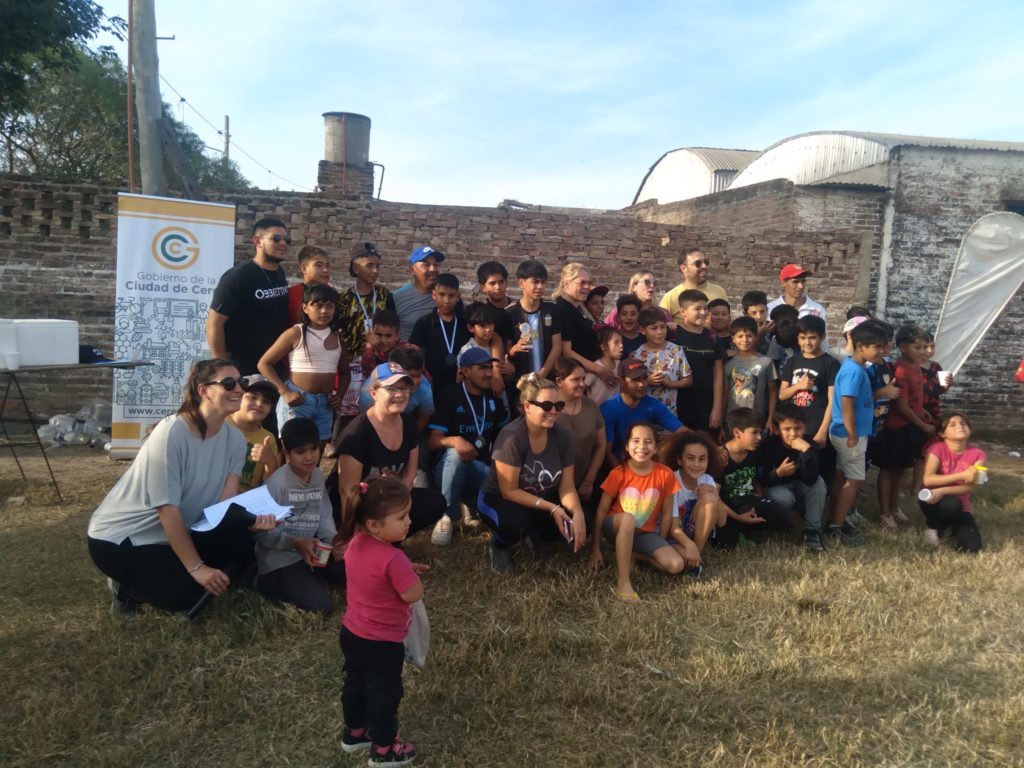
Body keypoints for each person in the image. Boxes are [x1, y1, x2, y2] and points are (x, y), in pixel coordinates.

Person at [87, 360, 278, 613]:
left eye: (241, 383)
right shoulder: (172, 431)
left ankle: (172, 571)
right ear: (203, 390)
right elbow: (166, 509)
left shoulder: (234, 439)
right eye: (228, 383)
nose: (238, 389)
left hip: (181, 529)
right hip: (123, 537)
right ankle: (126, 588)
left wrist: (250, 521)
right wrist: (197, 568)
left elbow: (224, 503)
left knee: (242, 542)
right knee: (188, 596)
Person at [336, 476, 426, 765]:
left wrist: (403, 569)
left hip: (352, 632)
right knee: (385, 694)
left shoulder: (355, 543)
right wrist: (409, 575)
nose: (408, 522)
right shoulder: (392, 558)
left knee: (356, 683)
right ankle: (385, 749)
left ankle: (354, 732)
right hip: (383, 643)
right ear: (374, 525)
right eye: (401, 517)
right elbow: (412, 593)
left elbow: (372, 573)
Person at [477, 374, 587, 574]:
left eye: (558, 405)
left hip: (540, 497)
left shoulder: (562, 436)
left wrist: (577, 513)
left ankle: (537, 534)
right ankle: (499, 545)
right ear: (527, 407)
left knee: (575, 520)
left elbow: (567, 486)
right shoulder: (512, 437)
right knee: (515, 525)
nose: (553, 411)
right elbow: (509, 491)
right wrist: (552, 508)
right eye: (546, 405)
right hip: (500, 498)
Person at [333, 362, 445, 537]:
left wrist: (396, 507)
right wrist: (351, 535)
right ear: (374, 393)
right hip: (354, 505)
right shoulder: (356, 434)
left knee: (435, 501)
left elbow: (409, 476)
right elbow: (348, 492)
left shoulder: (409, 424)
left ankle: (390, 539)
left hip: (385, 499)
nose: (399, 394)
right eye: (391, 388)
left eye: (404, 388)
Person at [589, 422, 686, 602]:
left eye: (648, 441)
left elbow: (666, 514)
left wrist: (659, 542)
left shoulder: (665, 474)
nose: (642, 446)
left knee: (676, 565)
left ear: (655, 448)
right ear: (627, 446)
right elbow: (601, 511)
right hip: (615, 527)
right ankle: (623, 583)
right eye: (636, 441)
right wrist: (595, 549)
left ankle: (634, 555)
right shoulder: (619, 473)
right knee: (628, 519)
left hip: (644, 534)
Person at [428, 346, 509, 545]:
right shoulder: (449, 396)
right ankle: (447, 516)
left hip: (480, 469)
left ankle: (470, 504)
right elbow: (432, 441)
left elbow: (505, 436)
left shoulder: (494, 396)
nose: (488, 373)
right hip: (448, 468)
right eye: (482, 368)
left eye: (490, 368)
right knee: (456, 454)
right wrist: (454, 440)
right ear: (465, 371)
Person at [255, 418, 337, 614]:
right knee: (322, 607)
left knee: (350, 572)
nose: (309, 457)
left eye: (314, 449)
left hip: (311, 550)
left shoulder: (317, 475)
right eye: (300, 452)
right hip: (279, 557)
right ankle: (262, 581)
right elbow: (261, 534)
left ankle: (310, 574)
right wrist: (294, 542)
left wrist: (334, 541)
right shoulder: (277, 484)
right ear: (287, 454)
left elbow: (324, 513)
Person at [257, 283, 350, 445]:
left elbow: (345, 372)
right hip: (298, 401)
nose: (324, 311)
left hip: (326, 404)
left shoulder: (337, 338)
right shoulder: (296, 333)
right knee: (292, 449)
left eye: (330, 306)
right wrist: (285, 391)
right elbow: (264, 364)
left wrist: (340, 395)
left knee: (318, 449)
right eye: (318, 306)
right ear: (305, 308)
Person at [828, 321, 889, 546]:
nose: (882, 351)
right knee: (854, 479)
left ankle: (836, 519)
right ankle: (836, 525)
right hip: (849, 435)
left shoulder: (856, 367)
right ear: (861, 346)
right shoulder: (854, 371)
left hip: (848, 433)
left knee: (842, 477)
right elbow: (847, 404)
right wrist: (853, 434)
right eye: (877, 347)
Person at [206, 217, 291, 377]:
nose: (283, 243)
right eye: (276, 238)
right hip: (244, 369)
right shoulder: (238, 277)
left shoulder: (279, 273)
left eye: (286, 239)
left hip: (274, 366)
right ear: (258, 242)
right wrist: (222, 366)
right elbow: (214, 323)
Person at [875, 323, 935, 530]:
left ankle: (895, 507)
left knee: (901, 469)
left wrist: (922, 410)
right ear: (902, 347)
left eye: (925, 347)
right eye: (917, 347)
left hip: (911, 425)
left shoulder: (916, 367)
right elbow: (902, 407)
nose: (923, 352)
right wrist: (923, 425)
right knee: (888, 470)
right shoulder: (900, 371)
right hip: (896, 427)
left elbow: (913, 399)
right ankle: (884, 512)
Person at [336, 242, 395, 429]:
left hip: (380, 361)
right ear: (355, 268)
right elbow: (339, 333)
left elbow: (393, 325)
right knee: (349, 412)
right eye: (369, 265)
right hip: (353, 366)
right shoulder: (344, 299)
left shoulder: (384, 295)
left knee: (378, 408)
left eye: (377, 266)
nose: (375, 271)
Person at [717, 408, 793, 549]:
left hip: (748, 500)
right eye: (754, 432)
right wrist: (738, 517)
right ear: (737, 433)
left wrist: (759, 494)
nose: (759, 437)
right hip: (726, 506)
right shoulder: (721, 457)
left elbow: (757, 477)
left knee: (784, 517)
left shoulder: (755, 451)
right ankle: (739, 527)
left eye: (760, 432)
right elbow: (714, 498)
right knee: (725, 543)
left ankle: (746, 527)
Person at [761, 404, 827, 552]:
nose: (793, 434)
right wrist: (778, 473)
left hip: (802, 484)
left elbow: (811, 479)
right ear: (776, 430)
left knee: (819, 484)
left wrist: (806, 452)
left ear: (805, 428)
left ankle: (811, 530)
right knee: (783, 498)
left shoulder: (810, 445)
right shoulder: (768, 444)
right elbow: (762, 478)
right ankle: (786, 520)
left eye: (798, 428)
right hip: (778, 487)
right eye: (787, 429)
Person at [600, 359, 687, 467]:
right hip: (618, 466)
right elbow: (607, 452)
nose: (642, 384)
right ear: (620, 381)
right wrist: (622, 474)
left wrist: (669, 440)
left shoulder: (652, 405)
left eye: (645, 378)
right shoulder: (609, 408)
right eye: (635, 380)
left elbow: (684, 432)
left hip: (647, 463)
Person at [918, 412, 985, 552]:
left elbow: (970, 487)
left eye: (963, 423)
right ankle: (932, 527)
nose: (960, 426)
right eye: (952, 425)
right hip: (932, 499)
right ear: (942, 434)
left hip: (960, 505)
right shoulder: (936, 449)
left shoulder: (978, 454)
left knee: (973, 548)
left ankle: (946, 528)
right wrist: (962, 475)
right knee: (952, 503)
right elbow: (928, 480)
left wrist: (943, 490)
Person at [661, 431, 728, 564]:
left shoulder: (707, 479)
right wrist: (688, 545)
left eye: (702, 459)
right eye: (690, 458)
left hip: (693, 536)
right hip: (674, 535)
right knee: (679, 563)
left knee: (710, 498)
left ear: (708, 460)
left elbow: (722, 521)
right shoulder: (672, 480)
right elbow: (673, 527)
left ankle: (697, 555)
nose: (696, 464)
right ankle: (692, 556)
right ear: (679, 460)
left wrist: (715, 495)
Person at [778, 315, 839, 451]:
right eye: (802, 338)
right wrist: (798, 386)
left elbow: (833, 400)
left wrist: (823, 431)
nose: (807, 342)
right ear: (797, 338)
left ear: (822, 337)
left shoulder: (831, 363)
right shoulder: (792, 361)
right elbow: (782, 395)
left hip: (816, 427)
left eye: (812, 338)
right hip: (793, 427)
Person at [553, 358, 607, 506]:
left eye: (583, 378)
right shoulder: (547, 409)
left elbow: (600, 445)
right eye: (576, 380)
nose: (582, 384)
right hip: (552, 488)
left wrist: (588, 481)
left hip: (584, 484)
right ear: (559, 381)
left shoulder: (591, 406)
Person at [672, 289, 725, 435]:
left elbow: (718, 375)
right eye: (697, 309)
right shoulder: (673, 335)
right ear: (683, 312)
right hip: (677, 404)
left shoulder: (713, 337)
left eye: (705, 308)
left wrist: (717, 408)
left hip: (706, 407)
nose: (703, 313)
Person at [554, 263, 616, 387]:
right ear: (566, 284)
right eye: (582, 283)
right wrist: (598, 369)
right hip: (576, 378)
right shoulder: (563, 309)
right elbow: (567, 351)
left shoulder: (577, 307)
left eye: (589, 282)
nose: (587, 287)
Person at [409, 272, 470, 392]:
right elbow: (412, 351)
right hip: (432, 383)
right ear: (434, 295)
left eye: (451, 295)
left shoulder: (465, 322)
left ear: (458, 296)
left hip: (463, 382)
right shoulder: (425, 322)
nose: (446, 300)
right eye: (442, 295)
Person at [504, 260, 562, 383]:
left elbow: (557, 347)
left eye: (543, 282)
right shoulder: (510, 312)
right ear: (521, 283)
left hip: (547, 380)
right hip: (520, 382)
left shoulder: (552, 309)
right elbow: (507, 351)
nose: (540, 286)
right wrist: (516, 348)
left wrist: (541, 375)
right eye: (535, 281)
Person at [359, 347, 435, 435]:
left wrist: (409, 439)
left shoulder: (424, 388)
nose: (414, 382)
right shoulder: (369, 391)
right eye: (410, 376)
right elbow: (365, 420)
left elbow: (424, 418)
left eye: (418, 376)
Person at [632, 307, 692, 414]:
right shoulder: (637, 355)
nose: (660, 332)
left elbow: (688, 380)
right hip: (643, 414)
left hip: (669, 413)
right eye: (654, 328)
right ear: (642, 330)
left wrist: (670, 384)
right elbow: (630, 385)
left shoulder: (676, 350)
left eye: (663, 327)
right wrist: (647, 381)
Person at [226, 374, 280, 492]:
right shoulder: (221, 425)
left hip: (248, 500)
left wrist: (270, 462)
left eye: (266, 401)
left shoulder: (268, 438)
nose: (259, 404)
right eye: (253, 397)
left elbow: (271, 484)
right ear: (238, 397)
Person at [724, 316, 777, 424]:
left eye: (749, 336)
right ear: (733, 338)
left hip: (758, 418)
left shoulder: (766, 361)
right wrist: (722, 424)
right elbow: (724, 395)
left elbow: (773, 391)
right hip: (733, 419)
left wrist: (770, 419)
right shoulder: (727, 363)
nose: (744, 340)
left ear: (756, 337)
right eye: (740, 336)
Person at [661, 248, 727, 324]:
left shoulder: (719, 291)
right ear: (683, 268)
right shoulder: (670, 298)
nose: (704, 266)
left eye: (706, 262)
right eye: (698, 263)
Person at [393, 245, 444, 341]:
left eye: (436, 265)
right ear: (412, 270)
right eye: (426, 265)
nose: (433, 269)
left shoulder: (446, 297)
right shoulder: (397, 298)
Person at [767, 264, 828, 342]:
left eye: (803, 281)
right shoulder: (770, 309)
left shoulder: (817, 309)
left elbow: (823, 341)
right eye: (795, 282)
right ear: (783, 283)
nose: (801, 286)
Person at [604, 271, 671, 329]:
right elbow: (606, 333)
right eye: (647, 282)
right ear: (634, 287)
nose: (652, 285)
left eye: (655, 282)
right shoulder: (618, 312)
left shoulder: (663, 313)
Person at [287, 244, 332, 325]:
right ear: (304, 268)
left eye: (327, 266)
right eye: (319, 265)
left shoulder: (333, 293)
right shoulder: (290, 295)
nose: (325, 270)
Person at [585, 325, 623, 406]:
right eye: (616, 342)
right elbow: (582, 388)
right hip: (596, 412)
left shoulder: (620, 365)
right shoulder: (595, 367)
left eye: (621, 342)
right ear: (603, 346)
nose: (621, 345)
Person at [741, 290, 773, 354]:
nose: (759, 316)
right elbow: (746, 353)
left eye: (762, 312)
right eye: (754, 313)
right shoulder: (740, 330)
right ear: (745, 314)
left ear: (767, 310)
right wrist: (759, 334)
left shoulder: (773, 327)